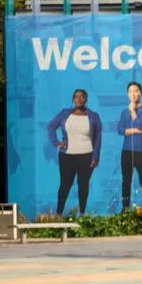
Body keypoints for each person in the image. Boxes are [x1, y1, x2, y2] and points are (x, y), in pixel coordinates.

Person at [46, 89, 102, 217]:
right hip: (67, 156)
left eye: (82, 97)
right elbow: (51, 127)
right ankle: (59, 215)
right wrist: (57, 142)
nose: (78, 99)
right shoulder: (64, 113)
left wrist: (96, 156)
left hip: (87, 156)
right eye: (76, 97)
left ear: (86, 99)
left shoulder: (93, 116)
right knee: (65, 185)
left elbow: (98, 138)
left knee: (83, 186)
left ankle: (82, 215)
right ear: (73, 99)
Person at [117, 81, 142, 211]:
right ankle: (125, 208)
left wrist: (132, 111)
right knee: (126, 181)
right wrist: (134, 130)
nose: (133, 94)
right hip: (126, 151)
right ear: (127, 94)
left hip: (141, 151)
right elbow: (120, 130)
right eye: (131, 91)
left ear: (140, 93)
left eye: (136, 91)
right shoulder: (123, 112)